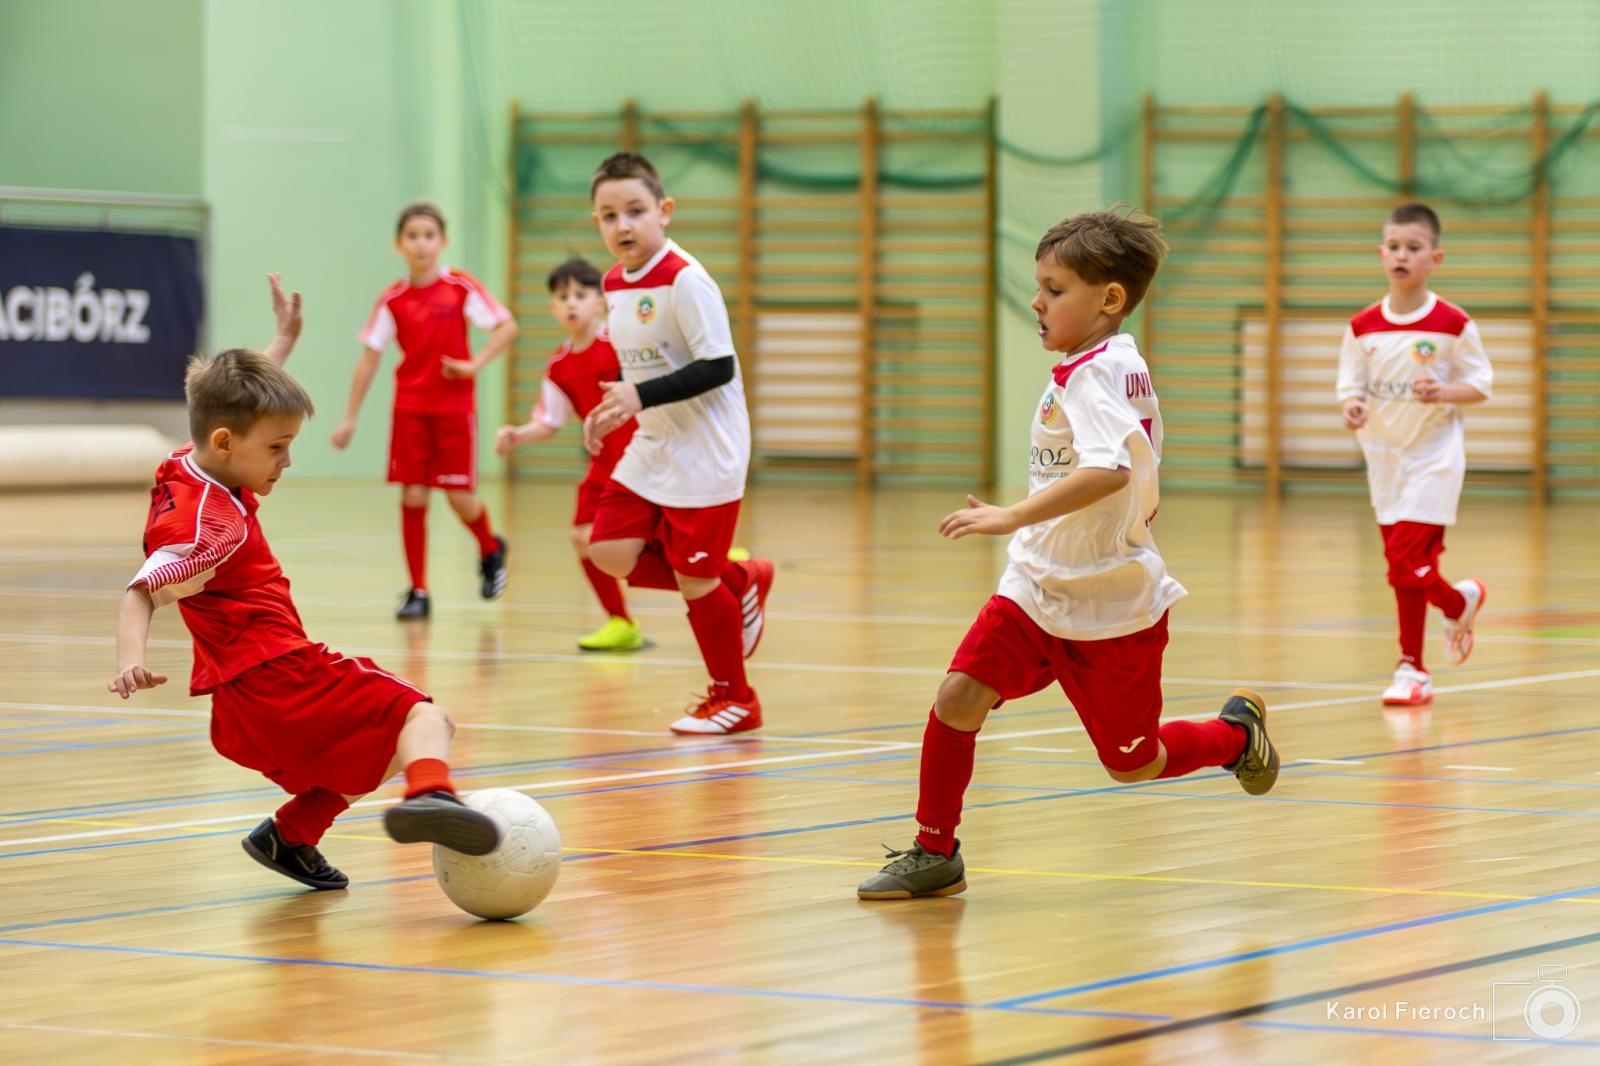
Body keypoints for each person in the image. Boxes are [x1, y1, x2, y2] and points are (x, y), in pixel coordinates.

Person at [856, 209, 1279, 900]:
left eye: (1054, 289)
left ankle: (1234, 736)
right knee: (957, 697)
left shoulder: (1095, 375)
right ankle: (935, 849)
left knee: (1134, 763)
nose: (1036, 301)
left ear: (1108, 299)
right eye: (1038, 287)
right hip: (1036, 583)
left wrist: (1012, 513)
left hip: (1110, 602)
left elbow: (1110, 470)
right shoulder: (1107, 363)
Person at [109, 274, 500, 892]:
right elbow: (140, 591)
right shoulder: (212, 531)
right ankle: (432, 796)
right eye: (280, 448)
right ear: (227, 442)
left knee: (353, 752)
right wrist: (131, 658)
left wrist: (281, 342)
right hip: (282, 673)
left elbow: (238, 408)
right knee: (424, 718)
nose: (287, 462)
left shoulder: (190, 460)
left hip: (241, 705)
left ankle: (289, 836)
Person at [583, 152, 775, 735]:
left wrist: (640, 398)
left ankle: (735, 698)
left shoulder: (686, 279)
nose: (623, 226)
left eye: (635, 211)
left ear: (664, 212)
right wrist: (615, 404)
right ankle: (741, 580)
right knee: (610, 551)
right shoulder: (614, 283)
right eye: (608, 215)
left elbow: (717, 366)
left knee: (696, 582)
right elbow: (646, 367)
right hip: (655, 441)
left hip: (705, 450)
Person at [1336, 201, 1492, 707]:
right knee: (1404, 564)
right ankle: (1449, 615)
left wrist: (1445, 393)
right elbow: (1350, 385)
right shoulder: (1362, 326)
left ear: (1435, 258)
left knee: (1405, 561)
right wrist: (1354, 405)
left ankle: (1412, 663)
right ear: (1382, 254)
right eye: (1395, 247)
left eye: (1414, 248)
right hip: (1383, 458)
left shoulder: (1452, 323)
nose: (1402, 255)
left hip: (1433, 456)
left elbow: (1481, 385)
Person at [332, 202, 519, 619]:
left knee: (459, 498)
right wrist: (349, 417)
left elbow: (507, 326)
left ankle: (490, 549)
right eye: (412, 236)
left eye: (429, 235)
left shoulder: (460, 288)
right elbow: (369, 358)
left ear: (443, 242)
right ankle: (418, 590)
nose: (421, 243)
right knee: (413, 495)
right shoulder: (393, 300)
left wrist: (474, 364)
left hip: (454, 410)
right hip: (410, 410)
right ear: (399, 244)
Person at [496, 256, 646, 652]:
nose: (571, 303)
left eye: (581, 294)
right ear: (552, 308)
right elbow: (549, 421)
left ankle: (717, 560)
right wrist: (518, 435)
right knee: (582, 537)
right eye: (563, 297)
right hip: (603, 462)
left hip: (646, 457)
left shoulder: (621, 343)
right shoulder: (558, 366)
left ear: (600, 302)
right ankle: (620, 620)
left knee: (666, 539)